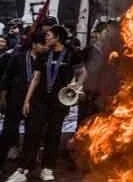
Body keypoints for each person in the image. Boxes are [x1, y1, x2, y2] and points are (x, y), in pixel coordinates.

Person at [6, 25, 85, 182]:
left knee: (53, 135)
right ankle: (23, 169)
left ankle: (47, 168)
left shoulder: (71, 55)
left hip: (60, 102)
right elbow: (35, 79)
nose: (46, 38)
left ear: (57, 37)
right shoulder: (44, 54)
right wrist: (27, 101)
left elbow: (82, 72)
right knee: (32, 133)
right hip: (39, 100)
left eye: (49, 35)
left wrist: (77, 86)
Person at [0, 33, 47, 162]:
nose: (45, 48)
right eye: (42, 45)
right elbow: (6, 77)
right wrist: (3, 97)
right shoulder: (18, 58)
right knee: (8, 132)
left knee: (32, 133)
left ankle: (26, 162)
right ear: (34, 45)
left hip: (34, 102)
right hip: (15, 100)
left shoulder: (46, 60)